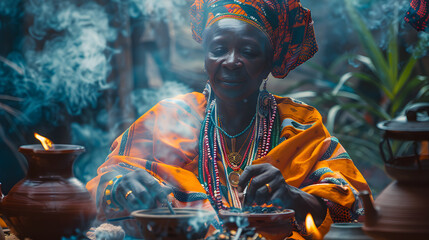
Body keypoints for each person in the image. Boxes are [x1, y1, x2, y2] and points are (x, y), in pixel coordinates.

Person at [86, 0, 371, 239]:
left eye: (248, 52)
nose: (231, 61)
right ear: (205, 58)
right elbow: (103, 186)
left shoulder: (299, 125)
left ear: (270, 63)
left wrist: (289, 195)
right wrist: (122, 186)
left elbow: (353, 209)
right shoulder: (171, 117)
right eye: (219, 49)